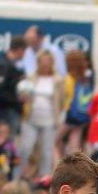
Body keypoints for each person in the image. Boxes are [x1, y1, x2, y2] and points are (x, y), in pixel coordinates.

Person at [19, 50, 63, 178]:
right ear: (38, 62)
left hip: (49, 120)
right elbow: (23, 95)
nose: (45, 64)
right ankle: (19, 176)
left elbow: (60, 101)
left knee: (46, 151)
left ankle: (45, 178)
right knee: (25, 148)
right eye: (42, 61)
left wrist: (58, 118)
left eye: (47, 61)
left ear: (52, 63)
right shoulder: (31, 77)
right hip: (31, 118)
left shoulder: (57, 80)